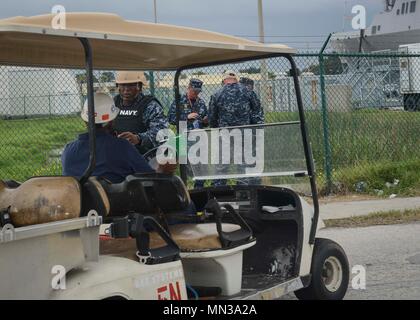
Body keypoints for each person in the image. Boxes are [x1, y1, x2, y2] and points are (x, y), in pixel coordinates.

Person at [62, 93, 175, 183]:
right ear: (112, 121)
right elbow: (150, 178)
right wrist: (162, 169)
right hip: (118, 209)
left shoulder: (68, 150)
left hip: (82, 208)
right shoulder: (122, 147)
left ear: (85, 120)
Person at [209, 71, 264, 186]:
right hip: (244, 134)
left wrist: (215, 126)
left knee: (222, 165)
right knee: (243, 164)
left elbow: (212, 118)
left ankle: (218, 192)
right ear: (237, 79)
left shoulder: (217, 94)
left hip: (225, 135)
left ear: (224, 80)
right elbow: (257, 111)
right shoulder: (248, 91)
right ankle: (243, 191)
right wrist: (253, 127)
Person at [112, 71, 169, 155]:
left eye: (131, 85)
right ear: (118, 86)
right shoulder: (114, 103)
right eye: (123, 85)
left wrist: (138, 138)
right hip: (118, 155)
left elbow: (162, 134)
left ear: (139, 86)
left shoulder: (150, 105)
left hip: (144, 157)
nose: (126, 89)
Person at [168, 78, 208, 189]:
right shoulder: (179, 101)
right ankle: (183, 189)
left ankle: (198, 190)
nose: (196, 93)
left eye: (198, 92)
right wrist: (186, 117)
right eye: (194, 91)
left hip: (198, 138)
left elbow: (205, 120)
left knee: (200, 168)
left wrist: (205, 120)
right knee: (183, 167)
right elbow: (171, 118)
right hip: (183, 137)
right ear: (189, 88)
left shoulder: (201, 103)